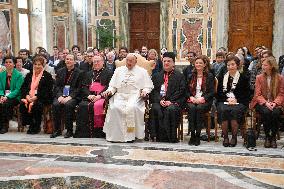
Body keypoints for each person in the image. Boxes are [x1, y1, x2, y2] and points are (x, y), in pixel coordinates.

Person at [102, 53, 154, 142]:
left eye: (131, 61)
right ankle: (116, 136)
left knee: (132, 107)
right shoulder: (118, 70)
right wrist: (110, 91)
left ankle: (131, 136)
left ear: (135, 62)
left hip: (135, 96)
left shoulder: (142, 71)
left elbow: (148, 86)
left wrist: (145, 91)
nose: (129, 63)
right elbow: (113, 86)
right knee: (114, 108)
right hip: (120, 95)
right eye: (127, 60)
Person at [149, 52, 186, 143]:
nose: (166, 63)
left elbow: (181, 91)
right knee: (155, 108)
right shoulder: (156, 76)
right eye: (164, 61)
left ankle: (171, 137)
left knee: (171, 109)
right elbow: (154, 91)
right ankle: (158, 136)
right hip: (160, 101)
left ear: (173, 63)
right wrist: (160, 100)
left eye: (169, 61)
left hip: (174, 102)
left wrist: (171, 101)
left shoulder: (180, 76)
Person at [75, 55, 112, 138]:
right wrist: (89, 95)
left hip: (102, 96)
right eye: (94, 61)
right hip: (90, 96)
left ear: (103, 62)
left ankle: (99, 133)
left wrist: (99, 96)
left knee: (99, 105)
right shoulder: (88, 73)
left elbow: (108, 86)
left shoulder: (109, 73)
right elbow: (83, 86)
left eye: (98, 61)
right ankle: (85, 133)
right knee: (82, 106)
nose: (96, 63)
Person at [250, 56, 284, 148]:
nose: (263, 67)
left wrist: (275, 103)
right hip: (261, 102)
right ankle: (267, 137)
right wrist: (266, 103)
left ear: (271, 66)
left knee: (275, 112)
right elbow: (257, 94)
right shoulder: (259, 77)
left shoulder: (280, 78)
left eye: (265, 65)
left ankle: (272, 137)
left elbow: (281, 94)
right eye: (262, 65)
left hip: (276, 103)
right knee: (266, 112)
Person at [217, 55, 250, 147]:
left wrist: (236, 99)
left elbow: (247, 93)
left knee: (234, 110)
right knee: (223, 110)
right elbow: (219, 93)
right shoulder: (222, 77)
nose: (230, 67)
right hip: (224, 101)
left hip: (239, 101)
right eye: (228, 65)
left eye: (232, 64)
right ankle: (226, 137)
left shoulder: (243, 78)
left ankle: (234, 137)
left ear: (237, 65)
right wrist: (227, 99)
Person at [50, 54, 82, 138]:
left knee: (68, 105)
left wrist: (70, 97)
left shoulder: (79, 73)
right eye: (67, 59)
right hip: (61, 95)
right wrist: (60, 96)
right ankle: (57, 130)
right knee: (56, 104)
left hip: (73, 96)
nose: (68, 61)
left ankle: (69, 130)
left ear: (74, 62)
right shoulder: (60, 71)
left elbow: (79, 88)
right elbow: (57, 86)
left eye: (71, 59)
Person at [20, 56, 53, 134]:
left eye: (39, 64)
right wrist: (27, 96)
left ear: (43, 65)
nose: (37, 66)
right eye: (35, 64)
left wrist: (36, 97)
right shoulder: (29, 75)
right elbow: (23, 87)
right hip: (29, 96)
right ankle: (31, 124)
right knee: (23, 105)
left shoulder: (47, 75)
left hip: (42, 97)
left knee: (37, 105)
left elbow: (47, 90)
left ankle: (36, 125)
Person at [186, 55, 214, 146]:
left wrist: (203, 98)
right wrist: (191, 97)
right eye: (196, 63)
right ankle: (192, 135)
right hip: (192, 99)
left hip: (205, 100)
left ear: (205, 64)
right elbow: (185, 90)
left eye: (200, 63)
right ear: (194, 64)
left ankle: (198, 135)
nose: (198, 64)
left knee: (199, 109)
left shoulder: (209, 76)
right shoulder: (190, 75)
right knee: (191, 108)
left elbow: (211, 92)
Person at [0, 56, 24, 134]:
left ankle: (4, 125)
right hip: (3, 96)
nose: (8, 64)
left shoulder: (19, 75)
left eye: (10, 62)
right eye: (6, 62)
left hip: (15, 97)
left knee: (6, 104)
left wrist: (7, 97)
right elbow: (0, 88)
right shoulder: (1, 74)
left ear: (14, 64)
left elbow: (17, 90)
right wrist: (1, 96)